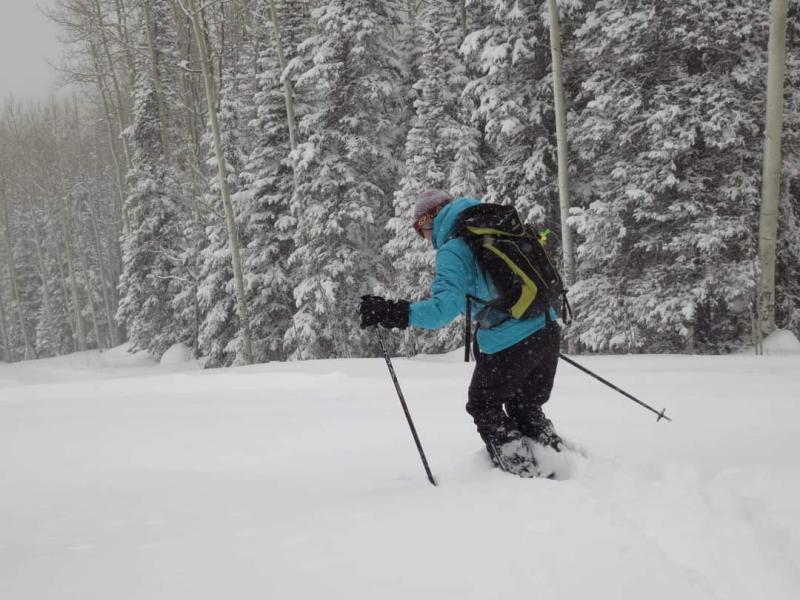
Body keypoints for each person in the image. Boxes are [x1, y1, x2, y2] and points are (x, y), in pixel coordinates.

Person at [359, 189, 563, 477]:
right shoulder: (495, 226)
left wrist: (393, 312)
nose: (424, 238)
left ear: (431, 220)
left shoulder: (454, 249)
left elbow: (442, 311)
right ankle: (562, 461)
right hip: (547, 328)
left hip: (511, 341)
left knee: (484, 406)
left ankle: (526, 477)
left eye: (421, 230)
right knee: (525, 407)